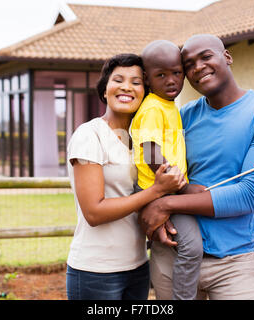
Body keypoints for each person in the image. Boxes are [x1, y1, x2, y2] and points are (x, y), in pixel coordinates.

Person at [138, 34, 254, 300]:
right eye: (188, 64)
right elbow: (148, 162)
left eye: (206, 56)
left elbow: (250, 195)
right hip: (174, 256)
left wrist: (166, 205)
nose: (198, 67)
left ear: (227, 57)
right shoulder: (183, 116)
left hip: (233, 265)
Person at [65, 53, 186, 300]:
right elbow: (94, 213)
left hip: (138, 266)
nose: (126, 87)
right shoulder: (90, 135)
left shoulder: (143, 140)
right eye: (118, 79)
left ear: (146, 91)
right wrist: (157, 190)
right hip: (96, 271)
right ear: (105, 90)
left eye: (136, 82)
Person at [130, 40, 204, 300]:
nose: (171, 80)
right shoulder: (152, 108)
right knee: (192, 247)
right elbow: (151, 151)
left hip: (166, 188)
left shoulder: (169, 106)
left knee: (181, 243)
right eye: (161, 75)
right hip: (158, 189)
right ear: (148, 79)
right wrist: (184, 187)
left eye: (176, 73)